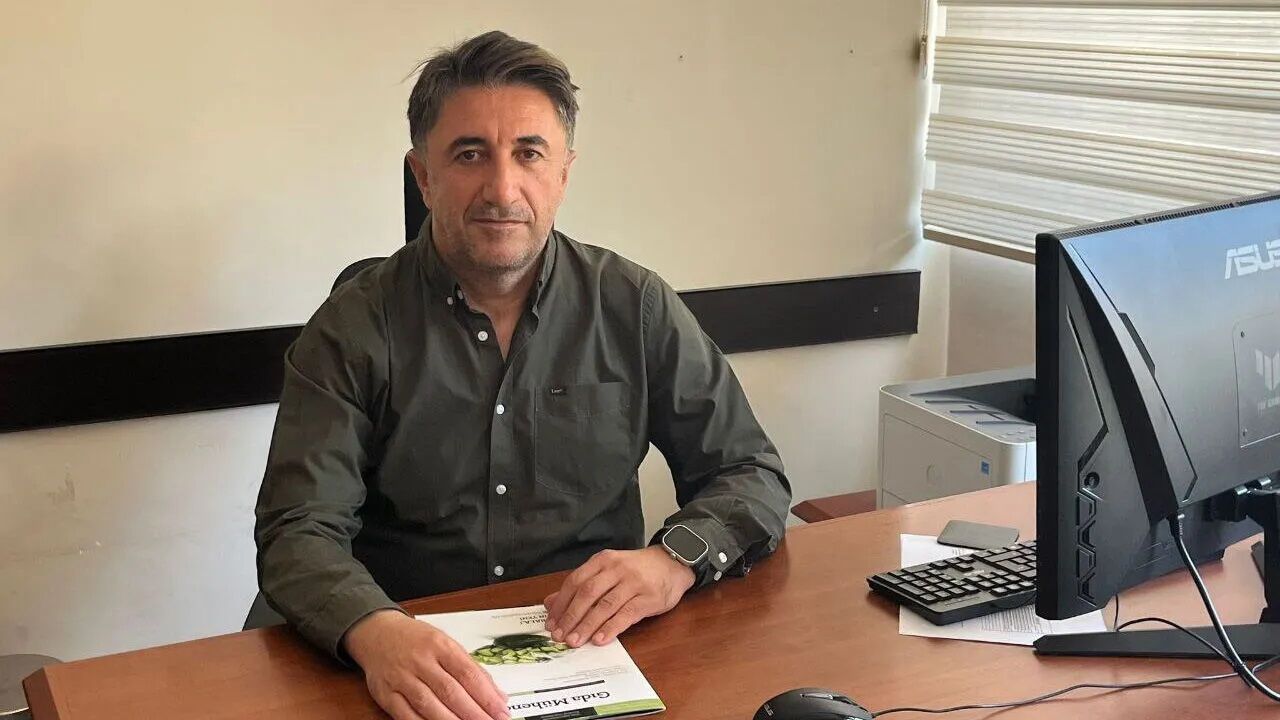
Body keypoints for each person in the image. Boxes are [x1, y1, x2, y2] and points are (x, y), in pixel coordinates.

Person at [254, 30, 790, 720]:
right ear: (424, 176)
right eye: (469, 154)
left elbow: (750, 470)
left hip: (596, 656)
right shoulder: (351, 327)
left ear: (563, 173)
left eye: (529, 154)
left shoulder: (633, 306)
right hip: (406, 660)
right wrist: (372, 630)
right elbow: (298, 527)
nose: (502, 189)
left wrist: (673, 561)